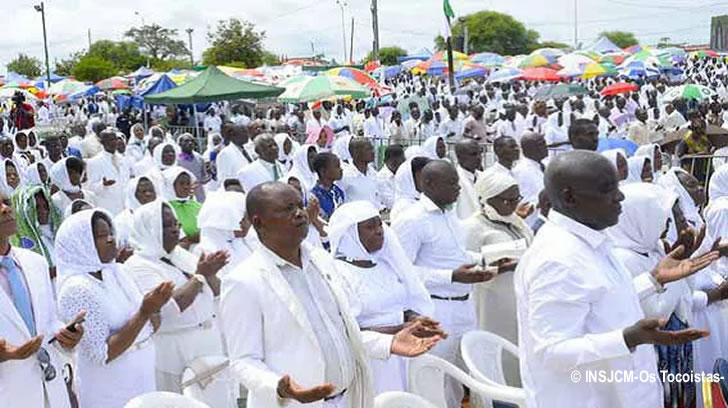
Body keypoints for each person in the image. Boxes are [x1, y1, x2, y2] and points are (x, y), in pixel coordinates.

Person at [514, 150, 718, 408]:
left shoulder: (592, 240)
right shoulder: (556, 259)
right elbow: (551, 351)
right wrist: (627, 339)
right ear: (569, 197)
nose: (620, 196)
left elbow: (603, 301)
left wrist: (654, 279)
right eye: (608, 189)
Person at [220, 182, 442, 408]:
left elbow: (342, 332)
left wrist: (390, 342)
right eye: (287, 209)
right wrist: (279, 387)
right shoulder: (244, 281)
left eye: (300, 205)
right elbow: (243, 361)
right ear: (259, 222)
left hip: (348, 398)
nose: (300, 214)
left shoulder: (321, 261)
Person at [392, 160, 496, 408]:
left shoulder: (449, 214)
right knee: (434, 379)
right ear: (429, 184)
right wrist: (450, 276)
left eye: (457, 183)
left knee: (462, 377)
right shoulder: (412, 220)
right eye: (451, 183)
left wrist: (487, 262)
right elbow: (402, 272)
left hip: (464, 306)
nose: (458, 189)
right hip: (437, 309)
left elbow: (456, 255)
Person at [56, 209, 175, 408]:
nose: (111, 239)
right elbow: (101, 353)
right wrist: (145, 311)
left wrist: (155, 307)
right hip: (110, 387)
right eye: (102, 236)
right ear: (80, 244)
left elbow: (150, 325)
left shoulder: (116, 271)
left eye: (111, 232)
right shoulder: (76, 288)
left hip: (141, 375)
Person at [608, 183, 704, 407]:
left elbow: (686, 297)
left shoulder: (656, 248)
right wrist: (668, 275)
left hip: (676, 346)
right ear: (641, 217)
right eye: (665, 218)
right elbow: (655, 312)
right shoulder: (623, 258)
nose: (669, 225)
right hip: (655, 349)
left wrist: (683, 263)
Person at [328, 200, 437, 394]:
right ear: (350, 235)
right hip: (372, 359)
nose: (379, 231)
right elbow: (348, 330)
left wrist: (413, 318)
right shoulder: (338, 273)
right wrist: (398, 330)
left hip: (405, 351)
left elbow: (402, 305)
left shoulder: (386, 264)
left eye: (380, 224)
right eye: (370, 227)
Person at [124, 200, 228, 392]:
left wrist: (211, 272)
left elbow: (215, 291)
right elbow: (168, 308)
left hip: (207, 343)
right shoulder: (137, 265)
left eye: (176, 224)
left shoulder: (179, 254)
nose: (174, 230)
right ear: (149, 228)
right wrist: (199, 276)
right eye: (166, 225)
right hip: (174, 351)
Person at [0, 189, 85, 408]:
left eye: (6, 202)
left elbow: (49, 321)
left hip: (50, 387)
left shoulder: (35, 263)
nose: (6, 209)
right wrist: (6, 354)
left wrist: (65, 335)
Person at [463, 169, 533, 386]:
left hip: (521, 301)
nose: (513, 204)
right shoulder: (473, 227)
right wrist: (498, 267)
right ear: (489, 199)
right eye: (507, 199)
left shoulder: (516, 222)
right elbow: (466, 267)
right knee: (499, 360)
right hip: (494, 305)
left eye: (516, 198)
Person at [197, 191, 257, 277]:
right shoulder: (207, 252)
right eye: (244, 218)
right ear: (227, 220)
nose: (249, 223)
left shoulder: (241, 242)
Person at [10, 184, 62, 277]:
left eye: (45, 206)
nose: (43, 211)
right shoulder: (17, 244)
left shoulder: (57, 234)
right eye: (36, 208)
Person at [85, 130, 129, 216]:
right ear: (102, 142)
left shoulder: (123, 159)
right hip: (107, 206)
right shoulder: (94, 162)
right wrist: (102, 184)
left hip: (125, 206)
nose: (114, 142)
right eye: (110, 140)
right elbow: (90, 188)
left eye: (115, 139)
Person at [163, 167, 202, 248]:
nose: (186, 187)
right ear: (171, 186)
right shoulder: (165, 208)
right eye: (181, 183)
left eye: (188, 183)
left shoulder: (197, 206)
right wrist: (192, 239)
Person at [113, 176, 157, 248]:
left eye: (151, 190)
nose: (148, 194)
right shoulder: (121, 222)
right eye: (143, 191)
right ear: (133, 194)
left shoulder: (162, 215)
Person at [339, 138, 380, 208]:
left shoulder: (373, 173)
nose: (373, 152)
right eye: (368, 149)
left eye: (372, 149)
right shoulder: (345, 175)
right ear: (356, 152)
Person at [390, 157, 431, 223]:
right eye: (424, 176)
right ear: (410, 179)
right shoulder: (403, 207)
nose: (428, 181)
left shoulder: (426, 201)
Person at [454, 139, 483, 220]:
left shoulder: (483, 176)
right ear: (459, 157)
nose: (479, 157)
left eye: (480, 152)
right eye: (473, 154)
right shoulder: (454, 180)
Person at [311, 152, 345, 221]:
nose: (341, 169)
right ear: (323, 171)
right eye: (337, 166)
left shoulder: (338, 191)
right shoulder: (314, 196)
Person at [177, 134, 207, 203]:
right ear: (180, 143)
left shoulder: (200, 158)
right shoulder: (176, 159)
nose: (190, 143)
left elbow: (203, 177)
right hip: (182, 194)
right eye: (186, 141)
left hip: (198, 194)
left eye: (192, 141)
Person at [376, 144, 405, 212]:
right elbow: (390, 203)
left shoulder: (402, 174)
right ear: (393, 160)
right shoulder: (380, 178)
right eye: (402, 160)